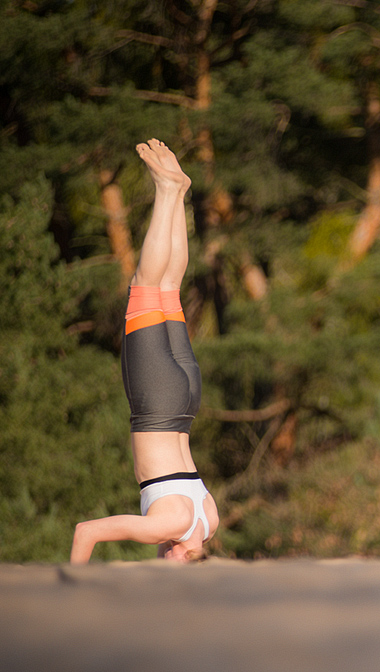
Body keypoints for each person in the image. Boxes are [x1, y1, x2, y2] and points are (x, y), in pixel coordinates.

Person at [71, 139, 219, 564]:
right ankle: (168, 191)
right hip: (155, 400)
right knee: (144, 285)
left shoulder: (208, 521)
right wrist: (69, 590)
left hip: (186, 399)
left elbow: (174, 542)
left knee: (169, 288)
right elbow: (87, 532)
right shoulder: (167, 525)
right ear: (185, 561)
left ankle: (178, 193)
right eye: (167, 566)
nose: (160, 562)